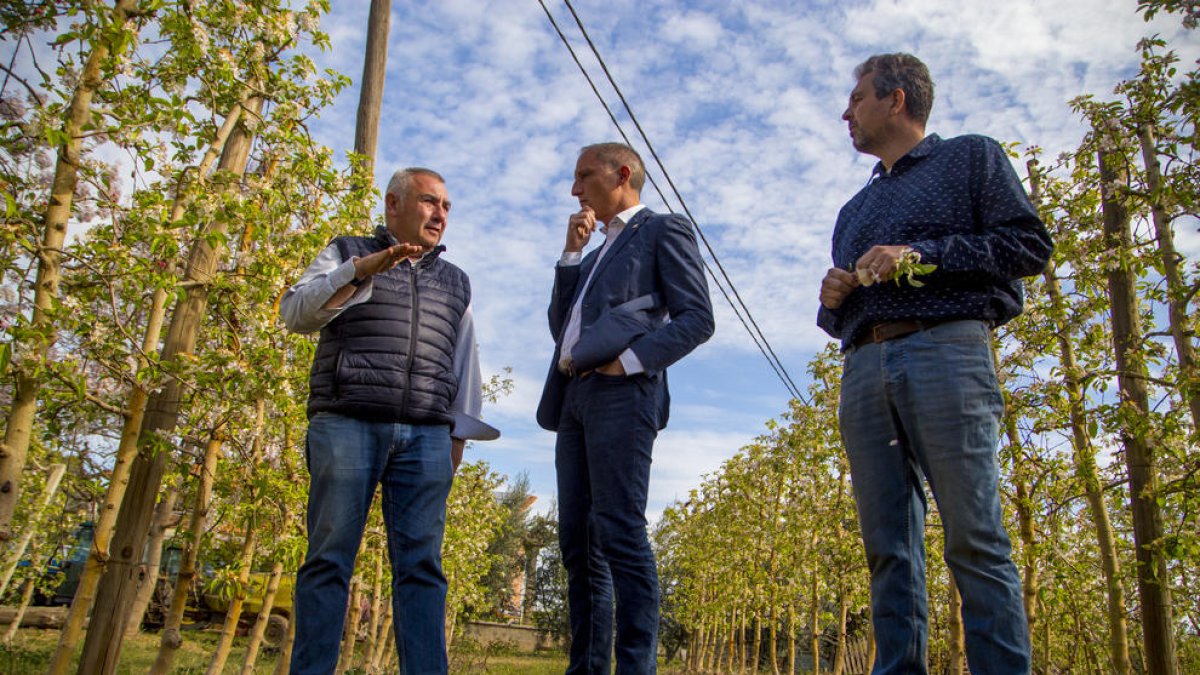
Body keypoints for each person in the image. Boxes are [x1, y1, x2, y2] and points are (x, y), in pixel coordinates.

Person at [818, 53, 1052, 674]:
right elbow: (839, 317)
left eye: (858, 98)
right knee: (888, 547)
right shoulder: (853, 211)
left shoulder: (972, 157)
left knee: (974, 537)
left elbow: (1028, 246)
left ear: (896, 100)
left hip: (946, 348)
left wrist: (920, 253)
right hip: (864, 364)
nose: (847, 112)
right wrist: (833, 298)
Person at [280, 167, 498, 674]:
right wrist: (360, 270)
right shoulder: (345, 251)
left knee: (422, 568)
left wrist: (458, 437)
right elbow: (295, 314)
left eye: (446, 206)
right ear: (393, 204)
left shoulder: (456, 281)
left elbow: (464, 362)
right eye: (429, 202)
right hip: (347, 424)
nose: (440, 214)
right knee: (329, 559)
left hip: (426, 435)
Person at [536, 142, 715, 674]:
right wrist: (570, 256)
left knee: (618, 530)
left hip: (622, 395)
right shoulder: (593, 255)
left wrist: (630, 362)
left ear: (622, 174)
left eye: (583, 176)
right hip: (574, 399)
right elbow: (562, 331)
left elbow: (697, 318)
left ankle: (636, 667)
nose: (574, 189)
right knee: (577, 542)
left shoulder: (662, 230)